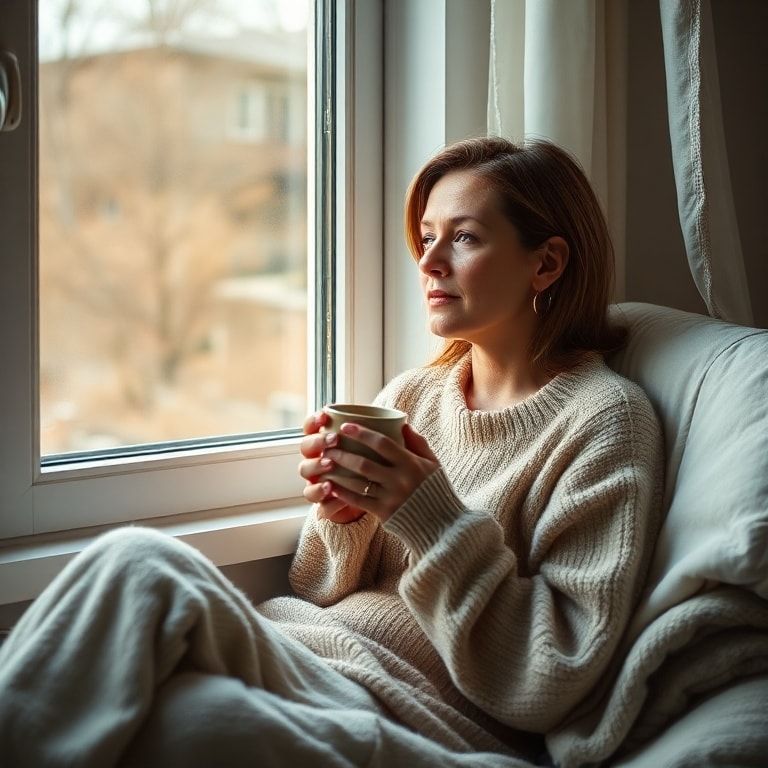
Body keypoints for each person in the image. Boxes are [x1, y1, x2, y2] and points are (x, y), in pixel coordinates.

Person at [0, 137, 663, 768]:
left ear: (545, 262)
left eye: (463, 238)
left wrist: (428, 516)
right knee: (136, 571)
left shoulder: (607, 420)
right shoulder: (417, 395)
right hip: (310, 650)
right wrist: (344, 517)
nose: (430, 262)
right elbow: (315, 586)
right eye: (427, 238)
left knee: (182, 692)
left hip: (420, 714)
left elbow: (558, 672)